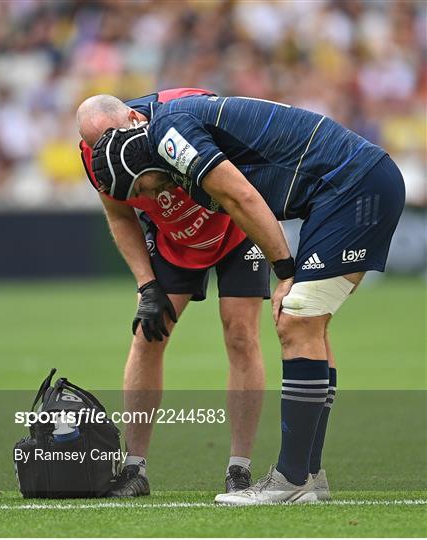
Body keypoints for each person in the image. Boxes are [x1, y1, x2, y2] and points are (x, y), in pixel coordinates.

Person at [90, 94, 405, 504]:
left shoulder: (170, 134)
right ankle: (308, 476)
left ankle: (291, 479)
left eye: (146, 184)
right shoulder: (161, 134)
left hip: (352, 187)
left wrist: (285, 272)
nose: (152, 194)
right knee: (309, 323)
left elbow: (242, 198)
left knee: (298, 320)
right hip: (344, 188)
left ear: (146, 158)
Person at [76, 89, 272, 497]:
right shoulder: (93, 156)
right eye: (98, 147)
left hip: (236, 227)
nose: (106, 151)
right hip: (173, 241)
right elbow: (119, 214)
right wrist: (146, 286)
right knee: (147, 334)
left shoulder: (185, 107)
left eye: (112, 139)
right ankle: (135, 469)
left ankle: (239, 469)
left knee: (241, 335)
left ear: (133, 117)